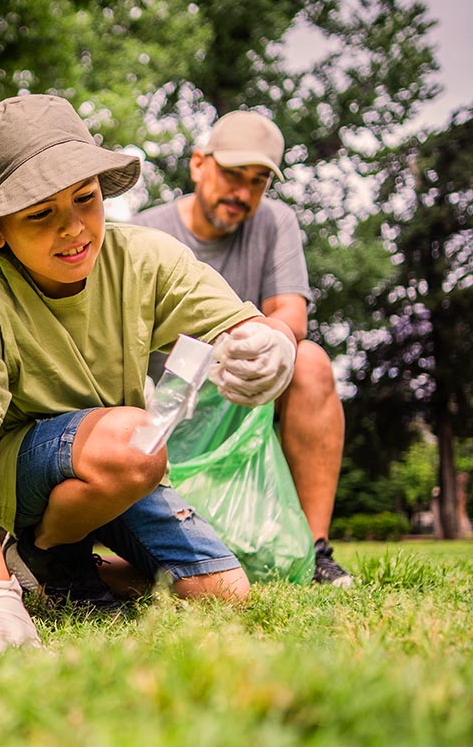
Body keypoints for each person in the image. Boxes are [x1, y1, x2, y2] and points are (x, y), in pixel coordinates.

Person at [0, 94, 299, 653]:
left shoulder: (145, 257)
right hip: (33, 471)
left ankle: (50, 572)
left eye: (85, 198)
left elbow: (241, 325)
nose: (73, 228)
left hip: (120, 469)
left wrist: (269, 346)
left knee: (224, 592)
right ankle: (25, 561)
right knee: (136, 440)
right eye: (40, 212)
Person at [130, 110, 354, 587]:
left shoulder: (275, 222)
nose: (244, 193)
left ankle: (315, 551)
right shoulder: (148, 231)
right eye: (233, 175)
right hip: (163, 402)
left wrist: (258, 342)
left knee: (311, 361)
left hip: (244, 386)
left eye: (258, 182)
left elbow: (291, 314)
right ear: (197, 165)